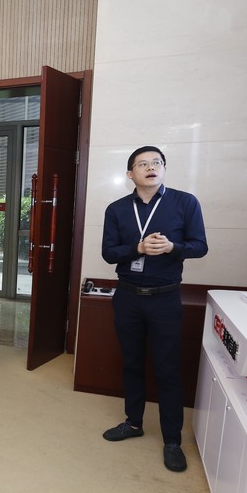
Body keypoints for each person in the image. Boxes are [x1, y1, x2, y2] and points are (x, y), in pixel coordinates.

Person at [100, 145, 208, 473]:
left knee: (168, 369)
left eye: (157, 162)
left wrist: (173, 247)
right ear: (130, 173)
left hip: (165, 298)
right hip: (128, 297)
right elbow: (108, 253)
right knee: (132, 363)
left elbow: (200, 246)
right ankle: (133, 422)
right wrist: (138, 248)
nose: (151, 167)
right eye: (143, 164)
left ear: (163, 169)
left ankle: (172, 441)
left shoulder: (185, 202)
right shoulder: (117, 209)